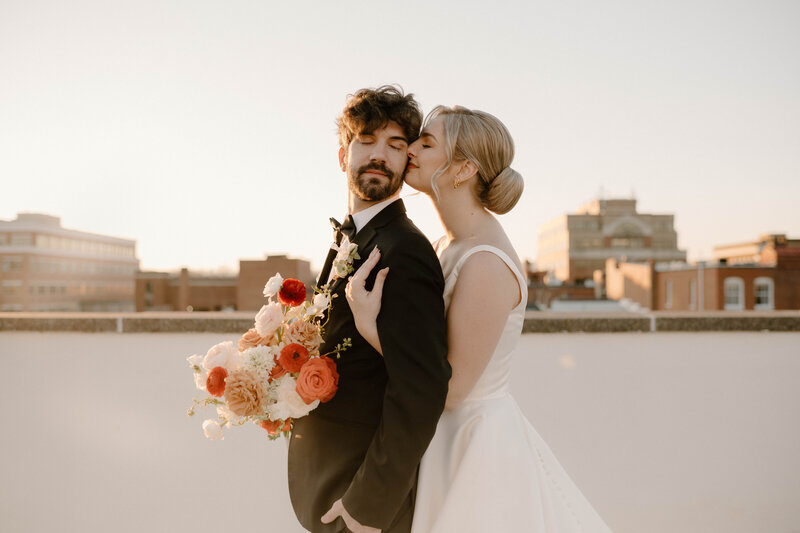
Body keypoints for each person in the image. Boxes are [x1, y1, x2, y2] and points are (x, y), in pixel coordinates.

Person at [346, 105, 614, 532]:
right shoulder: (445, 246)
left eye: (427, 143)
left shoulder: (486, 263)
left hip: (475, 449)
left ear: (464, 168)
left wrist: (369, 328)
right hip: (440, 438)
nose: (410, 148)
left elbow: (452, 389)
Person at [287, 86, 451, 533]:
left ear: (406, 162)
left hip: (360, 502)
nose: (380, 155)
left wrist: (367, 505)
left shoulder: (406, 250)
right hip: (327, 484)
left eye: (396, 145)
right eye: (367, 141)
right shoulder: (354, 236)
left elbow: (421, 388)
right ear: (343, 156)